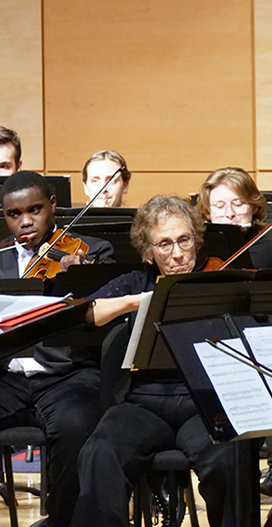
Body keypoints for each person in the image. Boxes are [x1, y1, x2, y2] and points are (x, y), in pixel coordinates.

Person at [70, 195, 251, 527]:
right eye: (164, 244)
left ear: (197, 239)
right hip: (143, 405)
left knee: (230, 456)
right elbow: (85, 312)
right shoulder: (138, 281)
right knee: (100, 451)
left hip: (205, 403)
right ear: (148, 252)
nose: (178, 253)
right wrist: (135, 302)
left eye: (183, 240)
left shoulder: (219, 281)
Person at [0, 171, 114, 527]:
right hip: (1, 376)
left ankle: (61, 521)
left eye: (35, 210)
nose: (26, 222)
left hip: (67, 377)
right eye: (14, 215)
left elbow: (103, 318)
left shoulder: (90, 252)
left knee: (76, 425)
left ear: (53, 206)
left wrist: (78, 282)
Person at [196, 167, 272, 268]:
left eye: (238, 204)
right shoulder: (196, 248)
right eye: (220, 206)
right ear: (207, 213)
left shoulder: (266, 251)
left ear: (254, 207)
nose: (230, 213)